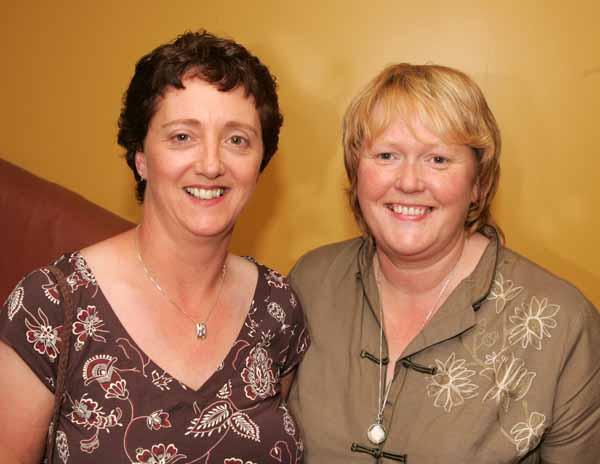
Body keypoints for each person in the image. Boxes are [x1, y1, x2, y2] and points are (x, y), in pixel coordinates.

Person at [0, 31, 309, 463]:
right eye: (183, 136)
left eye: (237, 139)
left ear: (260, 165)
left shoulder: (278, 308)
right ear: (141, 157)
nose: (211, 164)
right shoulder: (51, 306)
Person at [287, 63, 600, 462]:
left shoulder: (563, 326)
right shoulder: (309, 283)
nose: (410, 182)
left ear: (478, 183)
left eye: (437, 160)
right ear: (356, 172)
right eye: (386, 155)